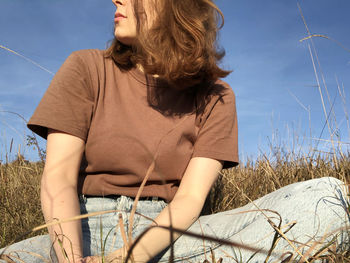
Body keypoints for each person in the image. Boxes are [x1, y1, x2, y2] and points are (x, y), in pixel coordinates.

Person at [0, 0, 348, 262]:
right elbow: (58, 177)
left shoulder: (216, 97)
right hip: (83, 229)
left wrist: (127, 257)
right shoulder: (86, 67)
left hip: (172, 237)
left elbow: (189, 201)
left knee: (327, 200)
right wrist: (72, 259)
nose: (115, 0)